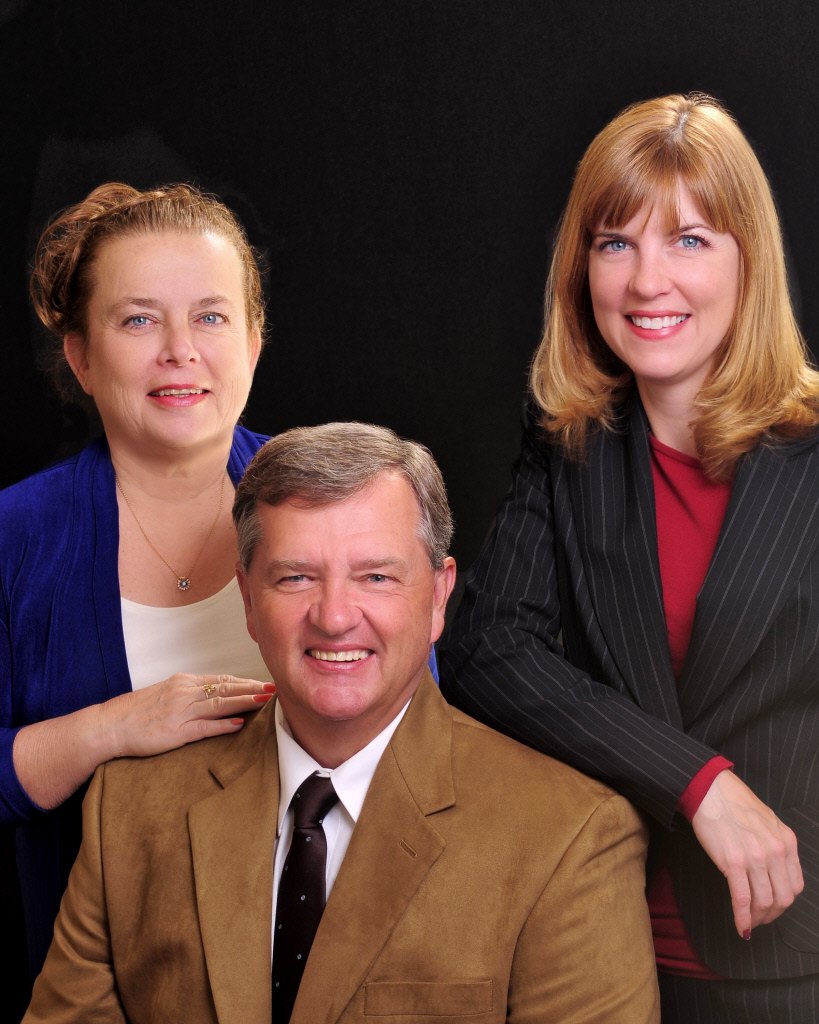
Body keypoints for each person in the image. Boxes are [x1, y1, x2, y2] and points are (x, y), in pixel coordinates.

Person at [24, 422, 660, 1023]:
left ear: (439, 595)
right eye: (296, 577)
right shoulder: (127, 810)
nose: (333, 617)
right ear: (248, 599)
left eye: (376, 576)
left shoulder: (570, 836)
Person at [439, 93, 819, 1022]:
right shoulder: (568, 441)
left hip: (792, 950)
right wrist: (697, 783)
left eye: (688, 240)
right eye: (615, 243)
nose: (647, 281)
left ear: (748, 259)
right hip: (595, 947)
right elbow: (486, 650)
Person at [1, 182, 277, 983]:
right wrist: (111, 729)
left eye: (211, 317)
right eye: (138, 320)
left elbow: (417, 746)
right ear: (82, 358)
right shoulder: (14, 538)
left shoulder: (345, 506)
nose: (179, 350)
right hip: (101, 991)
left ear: (254, 342)